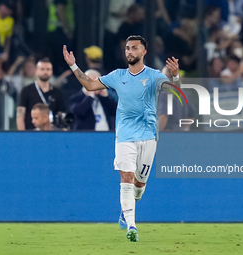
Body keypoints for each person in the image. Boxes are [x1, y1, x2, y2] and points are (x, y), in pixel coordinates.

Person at [63, 35, 179, 242]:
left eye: (134, 48)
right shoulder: (117, 75)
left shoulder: (153, 75)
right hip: (125, 136)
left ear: (143, 52)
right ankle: (132, 226)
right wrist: (74, 66)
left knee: (139, 185)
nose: (129, 52)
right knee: (125, 177)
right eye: (127, 48)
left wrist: (175, 77)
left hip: (149, 136)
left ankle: (126, 210)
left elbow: (174, 92)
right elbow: (90, 85)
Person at [17, 57, 65, 130]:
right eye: (42, 69)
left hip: (52, 134)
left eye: (48, 69)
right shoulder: (27, 90)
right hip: (31, 134)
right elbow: (20, 115)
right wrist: (23, 136)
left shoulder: (57, 92)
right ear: (36, 71)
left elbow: (61, 114)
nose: (45, 72)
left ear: (51, 72)